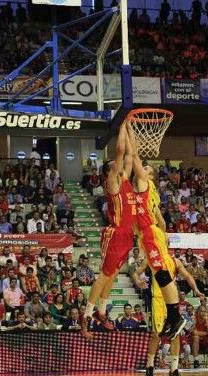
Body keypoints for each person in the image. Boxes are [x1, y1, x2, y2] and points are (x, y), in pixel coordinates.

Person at [127, 123, 187, 341]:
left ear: (149, 177)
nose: (143, 169)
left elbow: (133, 158)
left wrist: (131, 134)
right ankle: (173, 317)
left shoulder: (144, 185)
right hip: (148, 235)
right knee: (160, 276)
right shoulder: (139, 190)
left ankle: (175, 317)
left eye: (147, 169)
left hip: (150, 233)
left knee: (163, 274)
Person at [81, 122, 136, 338]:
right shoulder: (112, 181)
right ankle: (85, 315)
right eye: (115, 164)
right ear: (109, 170)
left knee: (113, 274)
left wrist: (131, 130)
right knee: (104, 275)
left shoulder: (126, 181)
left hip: (127, 235)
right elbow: (122, 151)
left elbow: (131, 155)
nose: (121, 164)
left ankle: (101, 311)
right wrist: (122, 126)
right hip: (115, 233)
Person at [133, 256, 204, 376]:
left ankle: (174, 368)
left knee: (175, 335)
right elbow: (136, 272)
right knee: (156, 334)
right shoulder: (151, 259)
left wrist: (196, 290)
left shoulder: (175, 261)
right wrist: (138, 281)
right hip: (157, 300)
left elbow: (188, 276)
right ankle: (149, 366)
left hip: (172, 300)